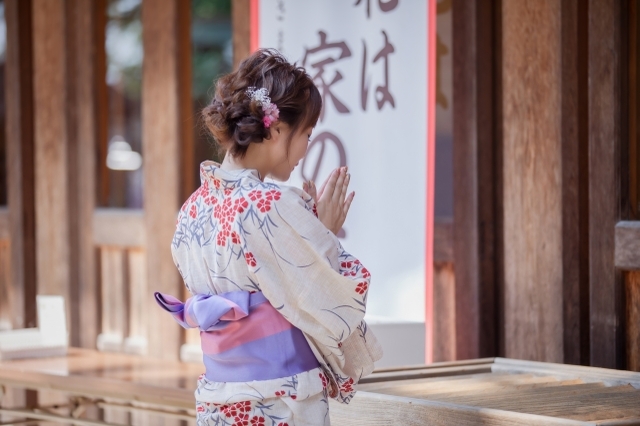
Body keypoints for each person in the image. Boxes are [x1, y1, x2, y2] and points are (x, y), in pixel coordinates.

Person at [155, 48, 382, 426]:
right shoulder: (273, 204)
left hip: (217, 400)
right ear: (276, 130)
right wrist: (321, 234)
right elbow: (333, 298)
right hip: (278, 401)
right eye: (307, 133)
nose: (307, 146)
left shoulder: (190, 211)